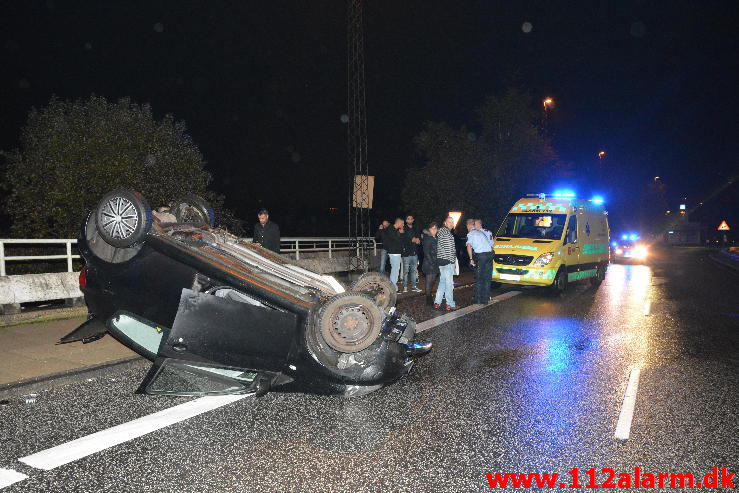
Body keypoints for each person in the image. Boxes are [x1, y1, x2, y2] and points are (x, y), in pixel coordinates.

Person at [466, 218, 494, 304]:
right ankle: (485, 299)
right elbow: (491, 245)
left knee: (479, 278)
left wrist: (471, 259)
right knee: (487, 278)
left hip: (481, 256)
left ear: (469, 225)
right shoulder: (483, 232)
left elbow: (469, 246)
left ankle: (477, 299)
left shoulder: (471, 233)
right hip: (489, 255)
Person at [434, 216, 457, 311]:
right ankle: (450, 304)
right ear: (445, 223)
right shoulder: (447, 233)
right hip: (448, 262)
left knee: (442, 282)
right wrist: (452, 261)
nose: (451, 224)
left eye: (452, 222)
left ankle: (437, 302)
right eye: (449, 222)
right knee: (449, 284)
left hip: (441, 261)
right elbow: (449, 249)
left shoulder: (441, 232)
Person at [401, 214, 422, 293]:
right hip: (406, 253)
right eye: (408, 219)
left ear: (413, 220)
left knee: (414, 271)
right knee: (406, 271)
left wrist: (418, 240)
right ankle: (405, 287)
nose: (410, 220)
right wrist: (412, 240)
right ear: (406, 220)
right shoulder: (404, 228)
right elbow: (403, 239)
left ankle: (414, 286)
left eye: (411, 219)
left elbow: (419, 239)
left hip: (414, 253)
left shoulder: (416, 229)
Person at [383, 218, 406, 288]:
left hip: (394, 252)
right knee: (395, 270)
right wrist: (402, 234)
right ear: (399, 223)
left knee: (395, 269)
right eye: (402, 223)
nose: (403, 225)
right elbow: (398, 240)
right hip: (394, 252)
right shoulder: (391, 229)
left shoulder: (393, 229)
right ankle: (393, 287)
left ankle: (393, 286)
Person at [421, 222, 439, 305]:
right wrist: (432, 263)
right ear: (429, 229)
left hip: (435, 263)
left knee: (432, 281)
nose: (434, 230)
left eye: (435, 228)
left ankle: (430, 296)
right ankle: (428, 299)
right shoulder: (427, 238)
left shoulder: (435, 237)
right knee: (429, 281)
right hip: (429, 263)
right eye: (432, 228)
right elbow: (426, 252)